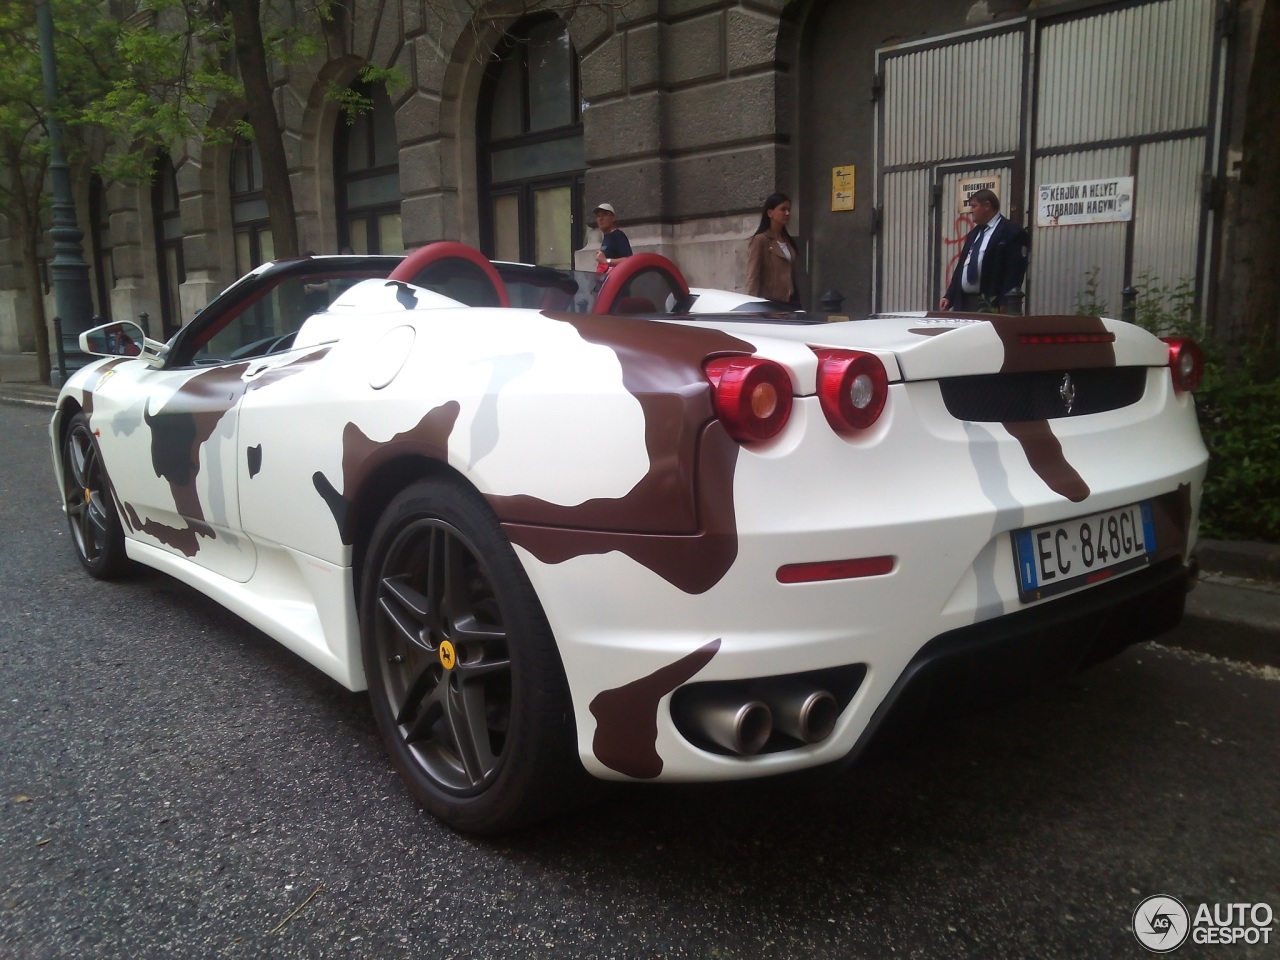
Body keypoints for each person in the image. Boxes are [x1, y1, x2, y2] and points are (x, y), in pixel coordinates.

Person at [940, 189, 1029, 312]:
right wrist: (949, 296)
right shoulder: (974, 234)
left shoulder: (1012, 232)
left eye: (974, 206)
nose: (970, 210)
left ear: (987, 206)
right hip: (964, 303)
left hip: (990, 302)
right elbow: (961, 267)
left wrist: (1005, 302)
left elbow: (1014, 272)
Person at [746, 193, 801, 306]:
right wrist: (751, 306)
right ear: (770, 213)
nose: (787, 213)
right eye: (783, 209)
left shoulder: (788, 241)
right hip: (770, 303)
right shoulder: (761, 240)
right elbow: (753, 275)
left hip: (791, 301)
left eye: (789, 210)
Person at [593, 203, 632, 272]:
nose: (600, 219)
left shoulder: (617, 235)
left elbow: (629, 260)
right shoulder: (606, 237)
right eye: (598, 216)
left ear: (613, 218)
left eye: (604, 215)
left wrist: (606, 261)